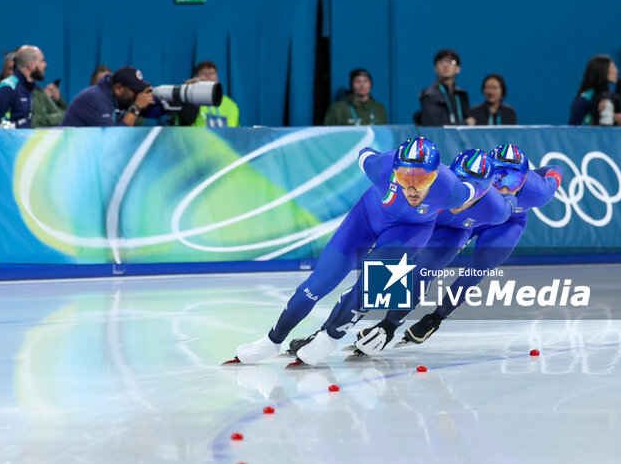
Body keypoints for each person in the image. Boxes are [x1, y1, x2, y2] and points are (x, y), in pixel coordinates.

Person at [229, 137, 474, 365]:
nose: (411, 189)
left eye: (420, 180)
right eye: (403, 178)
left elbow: (482, 194)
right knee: (317, 284)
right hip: (366, 218)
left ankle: (330, 337)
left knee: (371, 286)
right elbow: (364, 152)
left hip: (409, 231)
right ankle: (272, 340)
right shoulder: (382, 165)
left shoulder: (453, 189)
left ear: (434, 176)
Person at [294, 148, 517, 362]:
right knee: (377, 278)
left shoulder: (496, 209)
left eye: (476, 193)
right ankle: (325, 332)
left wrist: (391, 325)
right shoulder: (438, 183)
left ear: (487, 191)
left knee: (421, 273)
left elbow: (513, 204)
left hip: (454, 233)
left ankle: (389, 325)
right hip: (418, 225)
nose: (465, 201)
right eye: (464, 187)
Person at [354, 144, 561, 353]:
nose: (505, 188)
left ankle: (435, 318)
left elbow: (556, 169)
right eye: (498, 179)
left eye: (514, 180)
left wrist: (537, 174)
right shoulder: (457, 188)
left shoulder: (539, 192)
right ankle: (378, 319)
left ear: (525, 179)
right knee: (420, 264)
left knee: (482, 264)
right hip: (462, 222)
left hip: (506, 222)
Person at [60, 66, 156, 127]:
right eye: (134, 90)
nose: (137, 95)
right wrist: (136, 107)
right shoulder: (95, 98)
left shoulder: (115, 99)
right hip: (69, 157)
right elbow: (113, 139)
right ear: (119, 88)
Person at [0, 45, 46, 129]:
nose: (45, 64)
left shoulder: (28, 88)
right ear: (31, 65)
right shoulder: (8, 87)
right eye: (41, 61)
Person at [416, 49, 470, 126]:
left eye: (451, 62)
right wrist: (465, 123)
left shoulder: (461, 95)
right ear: (435, 69)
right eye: (441, 62)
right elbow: (434, 126)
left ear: (458, 69)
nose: (445, 65)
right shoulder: (428, 95)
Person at [569, 54, 621, 126]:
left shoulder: (610, 98)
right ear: (604, 71)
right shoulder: (586, 99)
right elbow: (573, 128)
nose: (616, 71)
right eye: (613, 68)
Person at [188, 60, 240, 128]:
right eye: (204, 74)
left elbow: (236, 133)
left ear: (217, 78)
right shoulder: (191, 101)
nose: (209, 76)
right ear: (196, 78)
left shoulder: (231, 105)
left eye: (212, 73)